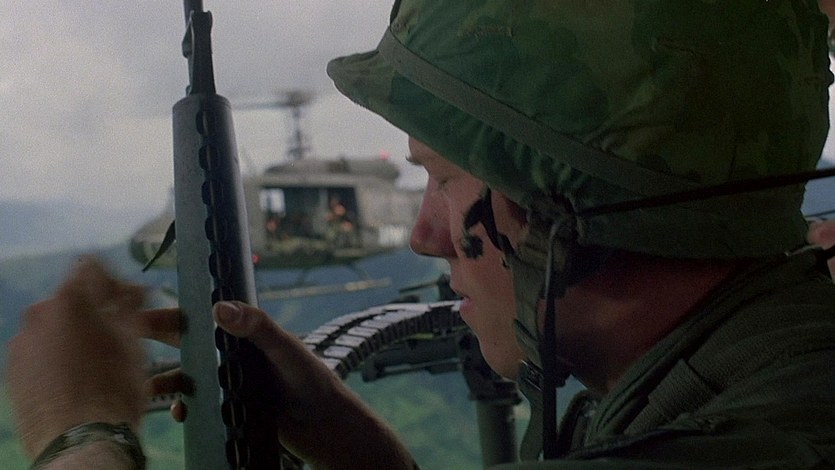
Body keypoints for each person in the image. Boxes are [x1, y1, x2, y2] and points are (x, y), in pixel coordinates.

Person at [7, 1, 835, 469]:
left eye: (442, 179)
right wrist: (353, 447)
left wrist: (79, 431)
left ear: (573, 214)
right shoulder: (761, 372)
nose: (426, 236)